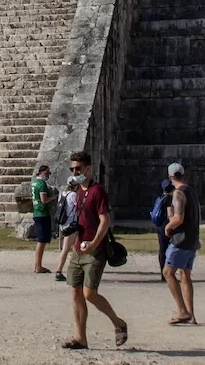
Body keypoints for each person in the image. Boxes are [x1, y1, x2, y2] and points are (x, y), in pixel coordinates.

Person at [62, 150, 127, 350]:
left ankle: (119, 323)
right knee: (76, 293)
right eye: (72, 169)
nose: (74, 172)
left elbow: (105, 221)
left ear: (87, 169)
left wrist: (93, 243)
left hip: (95, 249)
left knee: (89, 293)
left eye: (78, 168)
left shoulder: (98, 191)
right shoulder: (79, 192)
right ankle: (80, 337)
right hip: (78, 249)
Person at [163, 162, 201, 324]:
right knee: (185, 275)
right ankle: (190, 314)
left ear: (170, 177)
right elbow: (198, 214)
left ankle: (182, 311)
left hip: (180, 239)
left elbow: (178, 218)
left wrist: (168, 225)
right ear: (184, 175)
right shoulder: (191, 191)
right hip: (192, 238)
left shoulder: (178, 193)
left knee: (168, 273)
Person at [55, 176, 80, 282]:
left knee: (76, 247)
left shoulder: (63, 193)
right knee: (66, 249)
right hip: (70, 225)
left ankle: (79, 268)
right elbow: (79, 207)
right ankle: (59, 271)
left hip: (63, 224)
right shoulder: (74, 195)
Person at [31, 164, 56, 273]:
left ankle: (38, 265)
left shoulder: (34, 182)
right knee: (41, 241)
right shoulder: (41, 184)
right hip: (42, 213)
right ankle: (38, 265)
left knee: (42, 240)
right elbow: (44, 200)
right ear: (41, 173)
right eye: (47, 173)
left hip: (37, 212)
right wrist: (53, 197)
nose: (48, 175)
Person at [154, 179, 175, 280]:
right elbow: (170, 214)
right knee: (171, 249)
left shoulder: (160, 197)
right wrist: (173, 224)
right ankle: (168, 274)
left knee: (162, 250)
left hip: (159, 225)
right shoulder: (169, 199)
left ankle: (163, 273)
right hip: (166, 226)